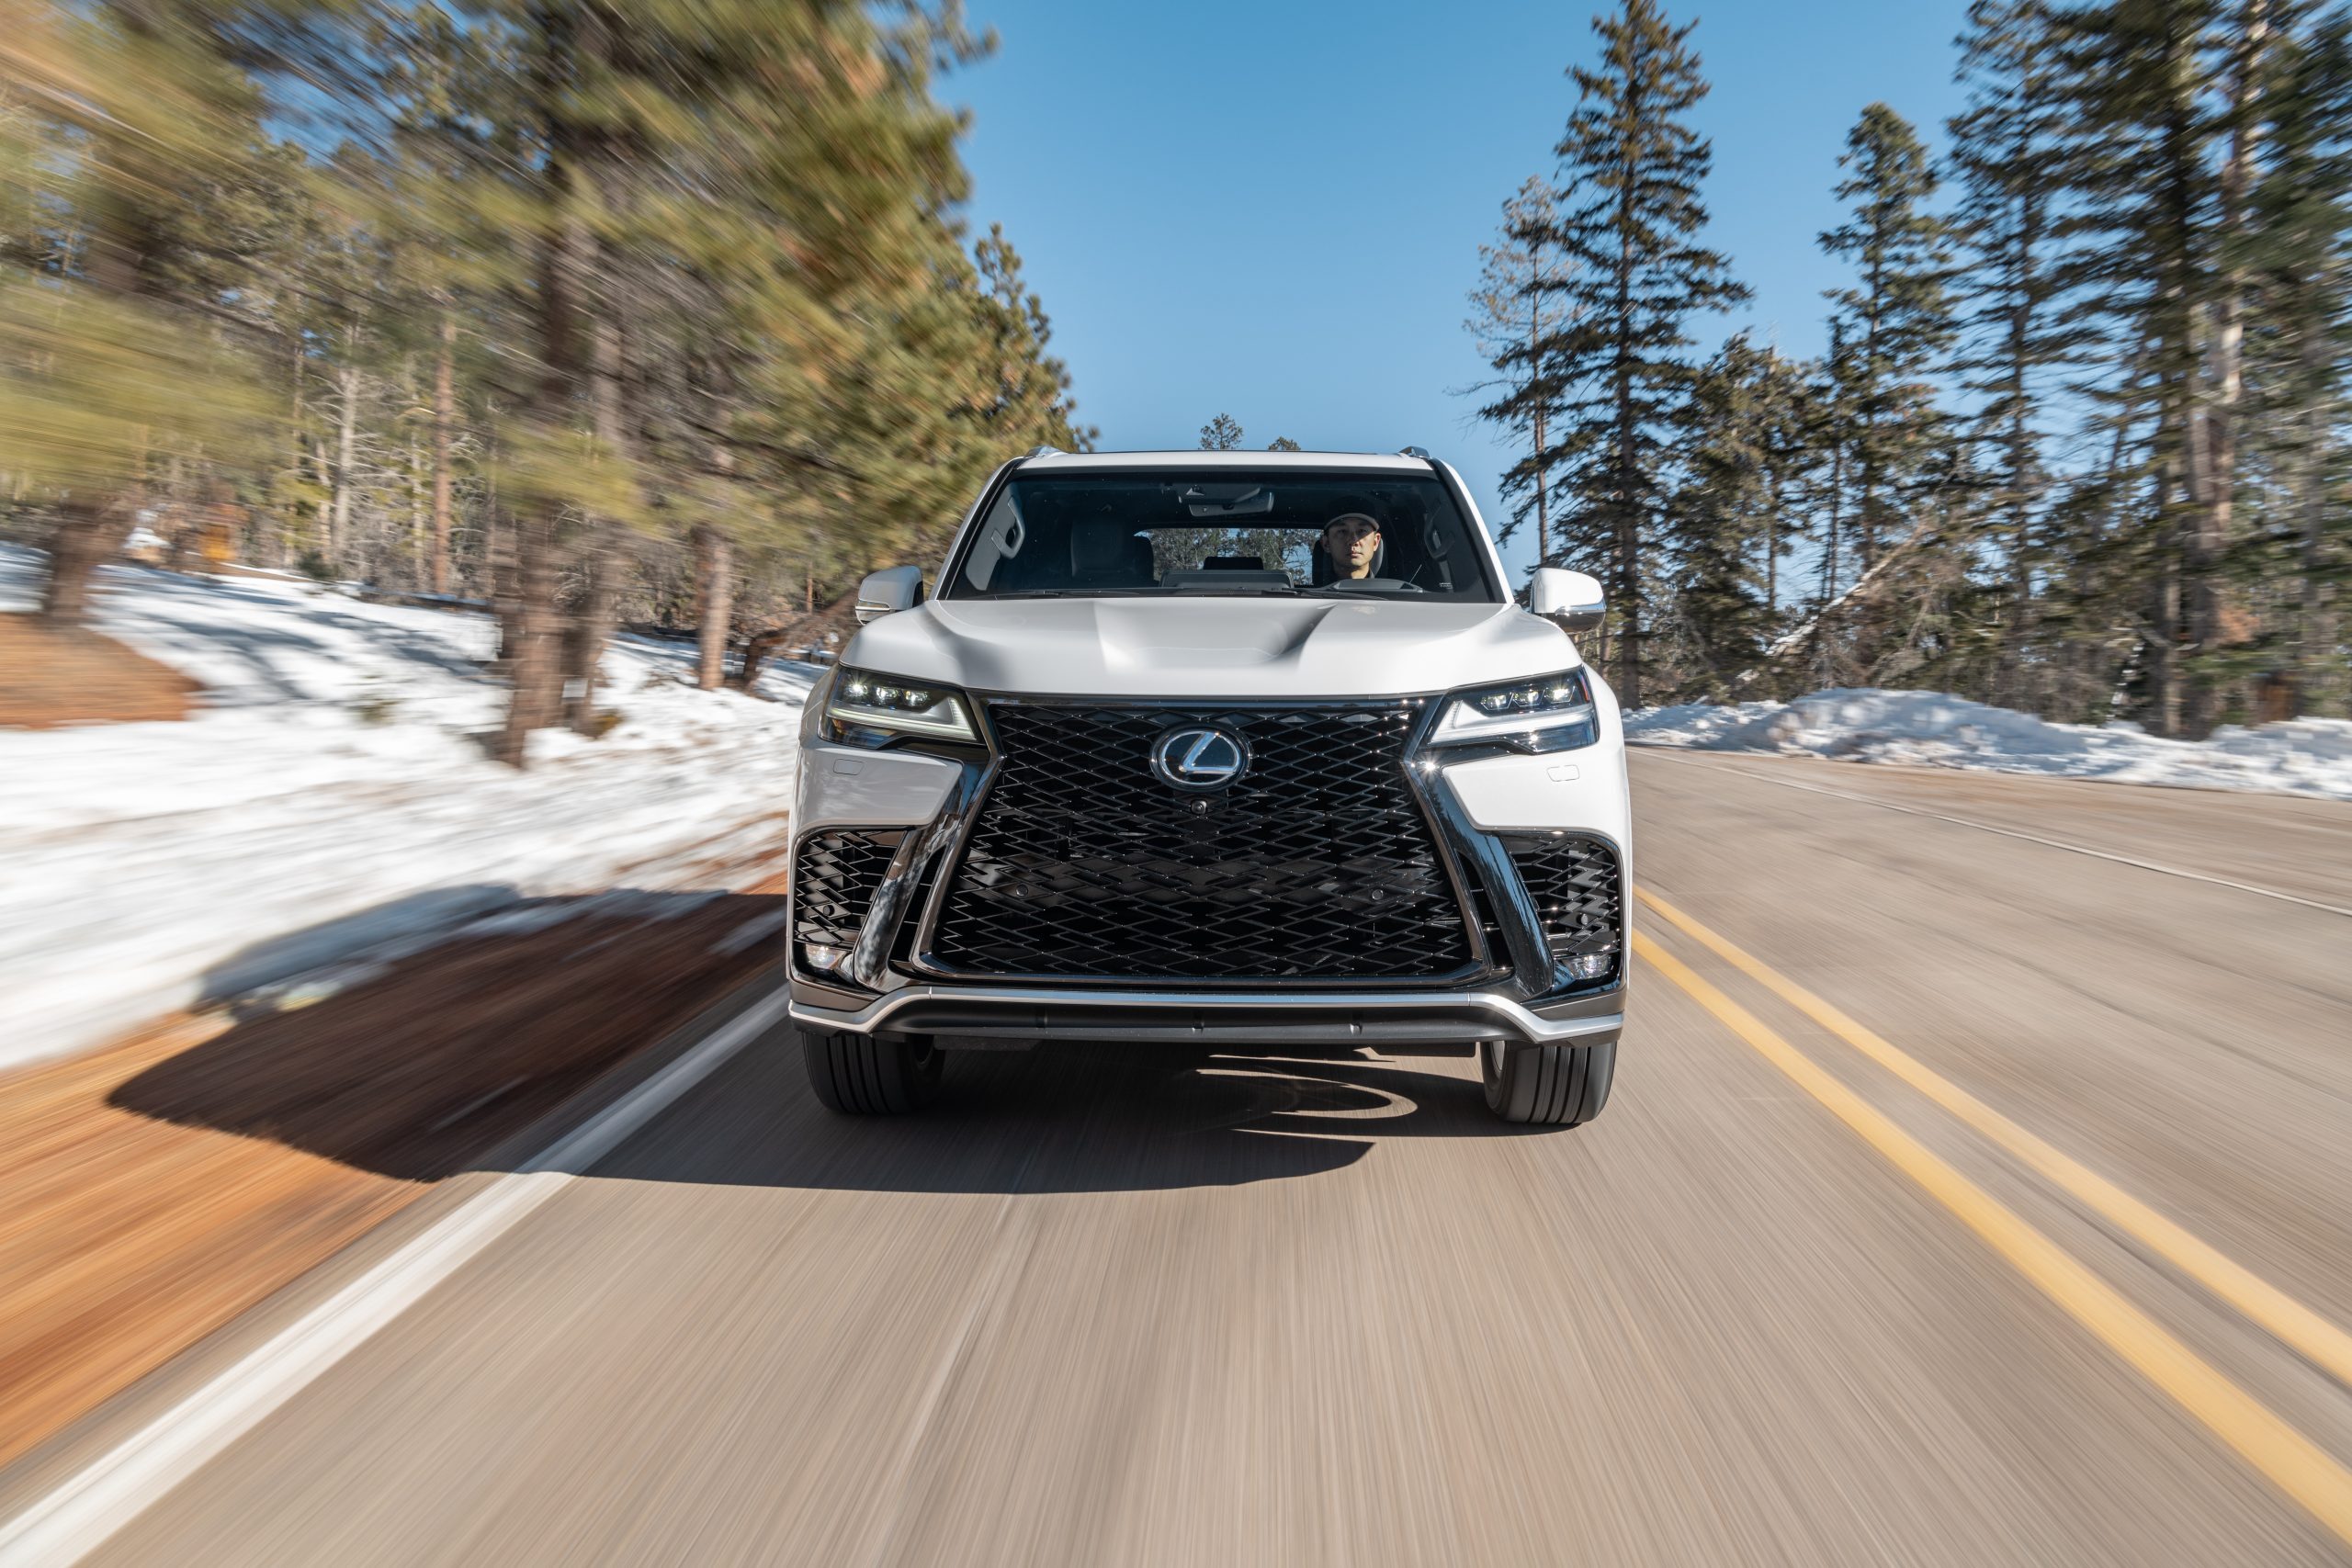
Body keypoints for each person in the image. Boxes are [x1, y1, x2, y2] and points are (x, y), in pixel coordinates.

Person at [1320, 512, 1383, 581]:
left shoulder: (1392, 590)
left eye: (1361, 531)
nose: (1353, 541)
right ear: (1327, 543)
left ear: (1375, 542)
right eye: (1342, 531)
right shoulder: (1311, 591)